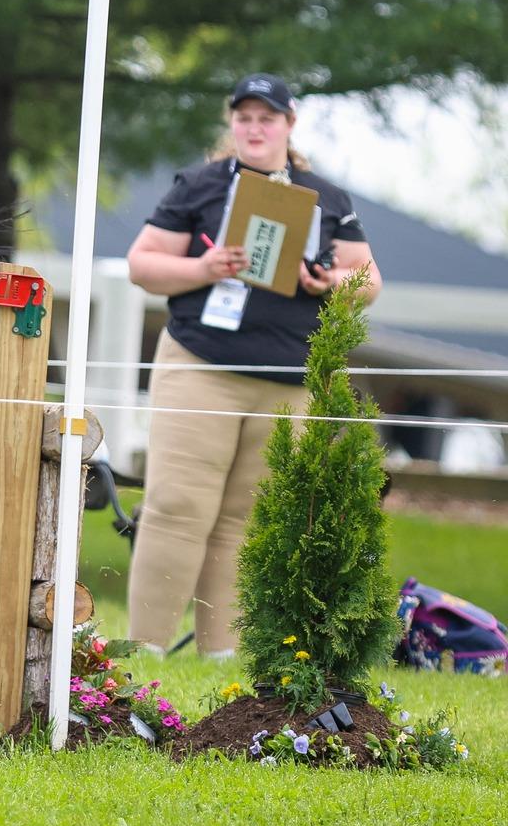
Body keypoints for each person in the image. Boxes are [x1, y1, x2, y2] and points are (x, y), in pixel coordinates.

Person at [124, 73, 380, 656]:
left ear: (290, 125)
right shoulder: (201, 184)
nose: (255, 127)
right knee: (176, 506)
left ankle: (224, 660)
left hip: (290, 380)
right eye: (245, 117)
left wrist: (327, 281)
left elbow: (367, 280)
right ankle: (143, 654)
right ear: (232, 123)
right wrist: (204, 270)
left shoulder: (328, 198)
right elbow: (143, 264)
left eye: (268, 118)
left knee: (248, 521)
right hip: (200, 364)